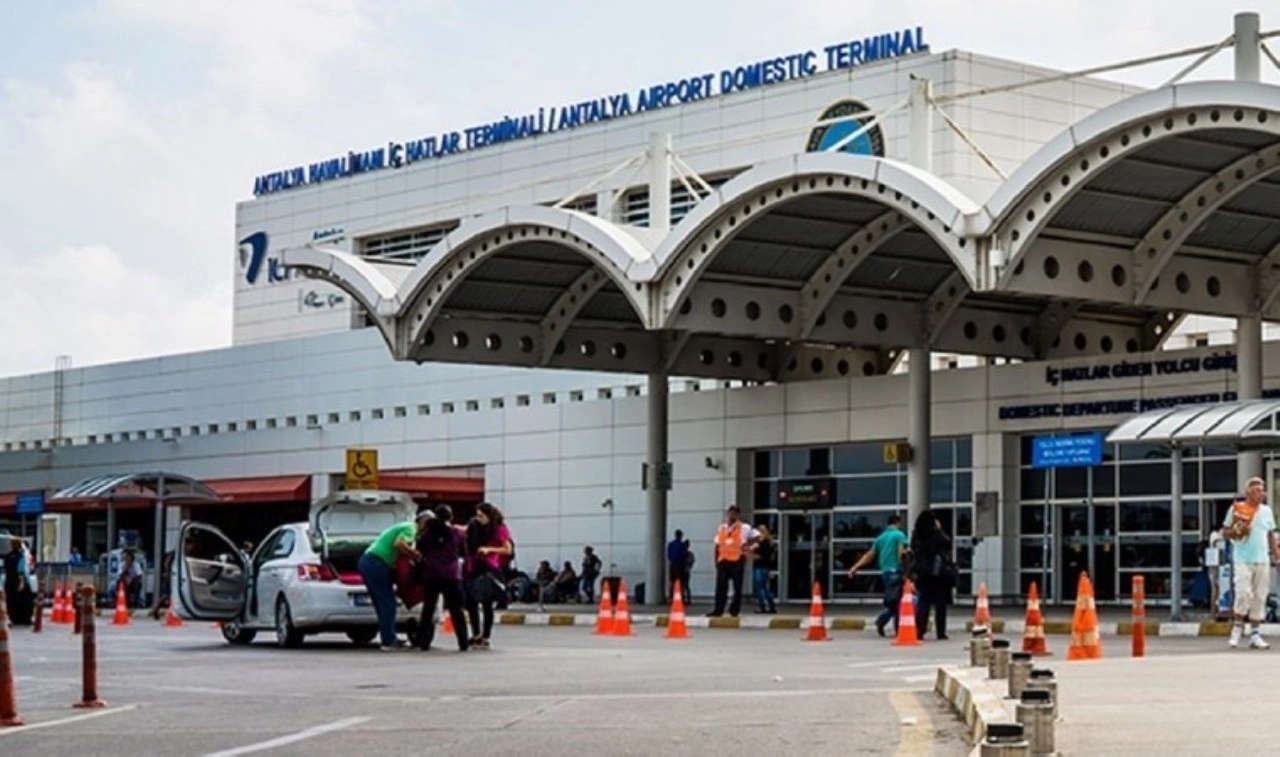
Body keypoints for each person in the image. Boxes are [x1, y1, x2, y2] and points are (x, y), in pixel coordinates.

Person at [1222, 477, 1280, 649]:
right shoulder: (1237, 509)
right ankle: (1236, 630)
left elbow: (1271, 535)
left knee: (1260, 597)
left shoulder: (1267, 511)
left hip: (1262, 559)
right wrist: (1236, 531)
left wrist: (1277, 557)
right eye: (1257, 490)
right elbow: (1225, 532)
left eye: (1262, 490)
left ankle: (1255, 634)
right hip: (1242, 559)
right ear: (1248, 492)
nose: (1261, 494)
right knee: (1243, 593)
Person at [359, 512, 425, 651]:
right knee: (387, 603)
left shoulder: (405, 526)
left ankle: (388, 636)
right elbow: (399, 544)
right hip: (376, 563)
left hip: (370, 562)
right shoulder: (411, 528)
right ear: (423, 523)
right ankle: (389, 641)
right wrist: (415, 555)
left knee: (383, 603)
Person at [414, 505, 469, 652]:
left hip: (431, 573)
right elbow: (463, 552)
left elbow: (420, 550)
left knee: (428, 608)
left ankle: (423, 642)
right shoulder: (456, 533)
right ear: (451, 517)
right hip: (451, 574)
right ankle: (463, 642)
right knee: (456, 609)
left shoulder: (427, 533)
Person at [846, 514, 910, 636]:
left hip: (885, 572)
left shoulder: (880, 538)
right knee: (898, 601)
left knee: (894, 600)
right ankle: (888, 623)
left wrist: (855, 567)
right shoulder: (900, 535)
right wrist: (906, 571)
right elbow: (901, 554)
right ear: (898, 523)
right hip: (896, 571)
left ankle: (888, 623)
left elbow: (870, 555)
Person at [464, 502, 512, 649]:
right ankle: (476, 633)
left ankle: (485, 635)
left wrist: (489, 549)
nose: (479, 519)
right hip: (473, 566)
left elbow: (507, 549)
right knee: (471, 602)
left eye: (481, 516)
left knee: (487, 603)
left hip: (489, 567)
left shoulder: (499, 528)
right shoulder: (475, 527)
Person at [910, 510, 954, 641]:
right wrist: (939, 529)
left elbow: (914, 550)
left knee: (924, 601)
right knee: (940, 603)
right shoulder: (936, 534)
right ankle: (941, 632)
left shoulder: (916, 535)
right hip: (938, 573)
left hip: (923, 572)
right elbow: (947, 543)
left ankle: (920, 630)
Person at [708, 506, 756, 618]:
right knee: (721, 586)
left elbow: (757, 536)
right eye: (730, 513)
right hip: (723, 560)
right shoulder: (722, 528)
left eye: (733, 514)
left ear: (737, 515)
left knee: (737, 587)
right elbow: (717, 545)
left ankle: (734, 610)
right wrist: (716, 561)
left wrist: (749, 548)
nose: (731, 516)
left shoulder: (744, 527)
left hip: (737, 560)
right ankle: (718, 609)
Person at [3, 536, 35, 626]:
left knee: (11, 600)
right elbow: (21, 570)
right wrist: (22, 582)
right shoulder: (20, 556)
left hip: (9, 581)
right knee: (25, 600)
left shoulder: (8, 556)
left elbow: (6, 569)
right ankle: (24, 619)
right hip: (19, 580)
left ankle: (14, 618)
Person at [751, 525, 777, 614]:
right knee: (764, 587)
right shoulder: (769, 542)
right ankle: (771, 606)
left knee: (760, 587)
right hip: (765, 566)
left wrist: (754, 552)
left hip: (760, 566)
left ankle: (763, 606)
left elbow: (760, 556)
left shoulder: (762, 543)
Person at [667, 529, 691, 605]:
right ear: (681, 536)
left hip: (672, 564)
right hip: (680, 565)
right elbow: (685, 555)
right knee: (681, 583)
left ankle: (671, 598)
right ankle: (680, 598)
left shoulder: (671, 545)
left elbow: (669, 555)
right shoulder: (682, 545)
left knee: (672, 582)